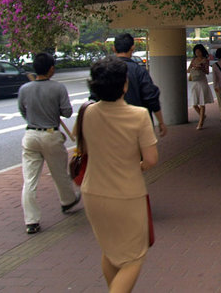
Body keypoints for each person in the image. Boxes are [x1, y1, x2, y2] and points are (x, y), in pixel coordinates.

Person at [79, 57, 158, 292]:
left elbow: (83, 148)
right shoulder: (139, 115)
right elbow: (151, 159)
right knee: (133, 258)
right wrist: (137, 165)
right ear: (125, 84)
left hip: (92, 192)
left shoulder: (87, 113)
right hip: (126, 194)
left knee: (111, 251)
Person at [18, 52, 80, 235]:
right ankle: (67, 200)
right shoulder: (58, 88)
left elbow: (23, 112)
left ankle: (31, 221)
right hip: (51, 135)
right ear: (51, 69)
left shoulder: (24, 89)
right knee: (59, 173)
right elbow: (67, 112)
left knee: (29, 180)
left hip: (30, 135)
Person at [113, 33, 167, 137]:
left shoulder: (103, 70)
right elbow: (151, 97)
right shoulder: (139, 71)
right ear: (132, 47)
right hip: (138, 124)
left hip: (111, 127)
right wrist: (160, 122)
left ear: (114, 48)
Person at [187, 44, 214, 130]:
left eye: (199, 51)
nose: (197, 53)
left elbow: (207, 72)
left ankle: (201, 122)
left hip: (202, 81)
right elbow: (188, 70)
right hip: (195, 82)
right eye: (196, 51)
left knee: (202, 103)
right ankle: (203, 116)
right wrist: (194, 67)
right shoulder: (193, 60)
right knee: (194, 104)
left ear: (202, 52)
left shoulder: (205, 60)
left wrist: (201, 68)